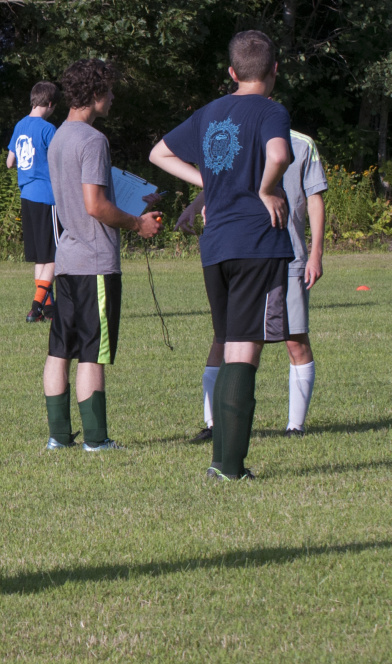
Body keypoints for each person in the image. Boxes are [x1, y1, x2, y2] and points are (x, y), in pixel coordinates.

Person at [150, 30, 293, 480]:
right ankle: (228, 466)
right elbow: (279, 152)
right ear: (274, 71)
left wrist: (206, 184)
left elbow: (159, 153)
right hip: (257, 240)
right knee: (245, 349)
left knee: (230, 340)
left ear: (232, 73)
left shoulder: (210, 112)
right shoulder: (272, 111)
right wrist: (266, 188)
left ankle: (223, 460)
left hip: (215, 249)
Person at [42, 59, 162, 452]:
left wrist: (124, 200)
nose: (113, 97)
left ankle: (58, 437)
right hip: (95, 261)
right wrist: (137, 224)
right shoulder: (93, 141)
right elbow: (95, 205)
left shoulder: (59, 137)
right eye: (109, 90)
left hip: (67, 260)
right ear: (95, 95)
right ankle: (96, 439)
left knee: (60, 350)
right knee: (93, 353)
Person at [180, 129, 326, 442]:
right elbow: (220, 182)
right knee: (225, 339)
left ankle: (295, 427)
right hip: (240, 255)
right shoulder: (236, 137)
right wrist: (195, 206)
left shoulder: (301, 144)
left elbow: (314, 198)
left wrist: (315, 254)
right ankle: (213, 424)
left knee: (295, 339)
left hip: (288, 256)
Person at [7, 81, 61, 323]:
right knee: (54, 255)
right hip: (47, 197)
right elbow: (63, 158)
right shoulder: (48, 128)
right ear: (50, 104)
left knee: (40, 256)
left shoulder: (20, 125)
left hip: (26, 196)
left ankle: (48, 311)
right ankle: (36, 305)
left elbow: (10, 162)